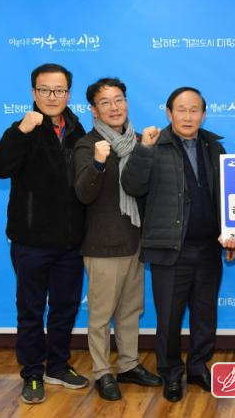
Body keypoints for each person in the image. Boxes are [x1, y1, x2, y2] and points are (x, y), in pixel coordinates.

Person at [121, 86, 235, 402]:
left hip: (208, 249)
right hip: (170, 249)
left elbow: (224, 196)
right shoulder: (153, 145)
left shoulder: (214, 147)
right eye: (181, 110)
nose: (188, 116)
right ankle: (171, 373)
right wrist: (143, 149)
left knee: (205, 316)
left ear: (204, 114)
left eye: (194, 110)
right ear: (169, 113)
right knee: (169, 319)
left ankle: (198, 367)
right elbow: (132, 185)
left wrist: (230, 234)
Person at [0, 63, 88, 404]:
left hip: (71, 242)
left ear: (68, 94)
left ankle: (57, 366)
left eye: (59, 90)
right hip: (31, 242)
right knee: (30, 311)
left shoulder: (77, 130)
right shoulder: (23, 127)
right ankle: (32, 373)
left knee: (65, 308)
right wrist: (21, 131)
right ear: (34, 92)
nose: (52, 96)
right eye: (45, 90)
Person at [73, 78, 161, 401]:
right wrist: (98, 162)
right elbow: (83, 194)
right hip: (103, 245)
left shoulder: (138, 142)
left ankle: (128, 365)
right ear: (93, 110)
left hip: (135, 242)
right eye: (105, 102)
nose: (114, 107)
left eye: (119, 99)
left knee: (129, 310)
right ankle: (101, 372)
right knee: (100, 315)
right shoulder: (88, 145)